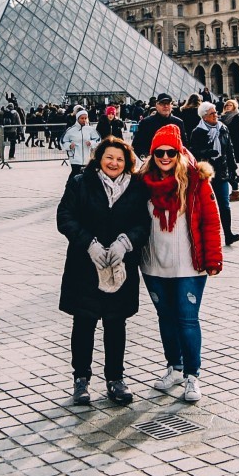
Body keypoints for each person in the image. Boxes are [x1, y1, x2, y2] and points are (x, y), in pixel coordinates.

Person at [56, 137, 150, 406]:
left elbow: (144, 223)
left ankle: (115, 379)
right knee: (84, 323)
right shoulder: (80, 182)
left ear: (127, 162)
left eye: (120, 159)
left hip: (121, 266)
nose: (114, 163)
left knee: (115, 322)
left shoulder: (136, 187)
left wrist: (125, 242)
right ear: (99, 158)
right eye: (109, 157)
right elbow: (65, 217)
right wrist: (89, 243)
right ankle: (81, 379)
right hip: (84, 265)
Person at [138, 125, 222, 403]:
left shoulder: (196, 180)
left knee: (187, 320)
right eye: (159, 152)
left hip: (190, 265)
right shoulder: (142, 182)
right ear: (152, 154)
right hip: (153, 265)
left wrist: (213, 257)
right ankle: (173, 367)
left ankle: (192, 375)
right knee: (166, 319)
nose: (165, 157)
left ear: (179, 152)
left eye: (170, 152)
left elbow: (211, 221)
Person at [188, 101, 239, 246]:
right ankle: (205, 237)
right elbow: (193, 153)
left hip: (222, 172)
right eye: (212, 113)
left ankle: (228, 234)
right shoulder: (197, 132)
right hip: (206, 174)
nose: (216, 115)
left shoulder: (223, 128)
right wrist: (207, 152)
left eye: (215, 112)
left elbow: (229, 150)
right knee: (206, 207)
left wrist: (234, 169)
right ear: (204, 117)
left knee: (225, 204)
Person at [132, 94, 182, 159]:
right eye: (162, 104)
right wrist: (146, 158)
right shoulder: (146, 122)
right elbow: (137, 144)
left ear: (171, 106)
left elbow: (184, 145)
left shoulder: (178, 123)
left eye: (168, 103)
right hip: (152, 164)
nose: (166, 106)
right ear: (156, 105)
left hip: (173, 163)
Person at [63, 107, 102, 179]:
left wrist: (91, 143)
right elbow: (63, 141)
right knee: (74, 177)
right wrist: (69, 146)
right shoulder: (70, 130)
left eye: (85, 118)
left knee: (88, 177)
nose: (84, 120)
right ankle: (70, 189)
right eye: (82, 118)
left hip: (88, 158)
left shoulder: (91, 130)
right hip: (75, 159)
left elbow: (98, 140)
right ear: (77, 119)